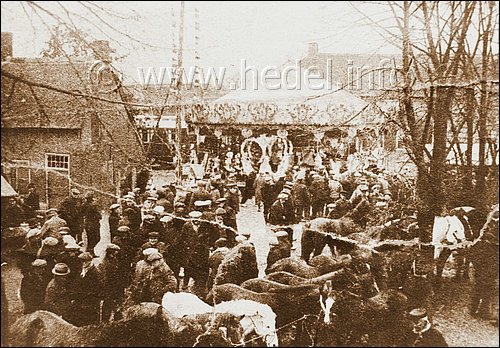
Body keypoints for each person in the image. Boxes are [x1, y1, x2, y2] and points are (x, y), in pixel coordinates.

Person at [71, 252, 103, 326]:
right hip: (81, 302)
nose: (83, 263)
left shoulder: (96, 273)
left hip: (90, 303)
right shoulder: (81, 270)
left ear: (90, 261)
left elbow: (98, 290)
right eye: (82, 261)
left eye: (86, 261)